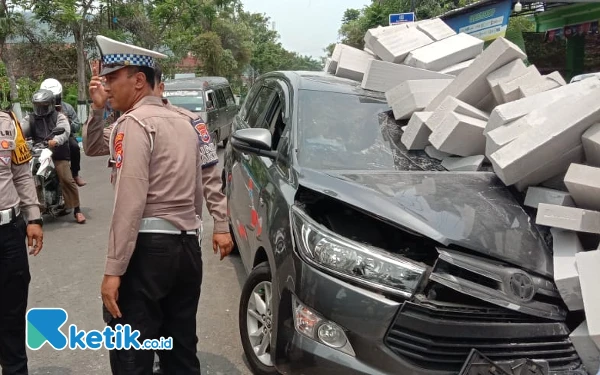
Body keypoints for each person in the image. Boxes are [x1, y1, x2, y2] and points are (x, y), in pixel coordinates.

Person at [83, 35, 232, 374]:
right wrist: (96, 110)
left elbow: (129, 202)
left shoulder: (134, 124)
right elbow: (93, 147)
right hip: (186, 249)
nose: (106, 87)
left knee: (131, 352)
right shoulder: (190, 123)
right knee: (180, 348)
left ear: (139, 81)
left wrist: (113, 270)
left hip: (147, 251)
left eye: (112, 78)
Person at [0, 110, 44, 375]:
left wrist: (34, 218)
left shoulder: (8, 123)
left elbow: (21, 174)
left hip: (9, 231)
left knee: (12, 315)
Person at [23, 90, 86, 224]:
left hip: (57, 151)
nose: (40, 108)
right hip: (37, 151)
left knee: (66, 179)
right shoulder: (31, 118)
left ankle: (77, 210)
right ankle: (34, 210)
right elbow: (22, 130)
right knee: (27, 178)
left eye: (44, 105)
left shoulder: (59, 116)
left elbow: (65, 129)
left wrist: (56, 140)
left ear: (51, 104)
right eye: (38, 105)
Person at [39, 78, 86, 187]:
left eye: (56, 97)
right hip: (44, 136)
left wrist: (67, 121)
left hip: (65, 137)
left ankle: (75, 174)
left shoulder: (67, 108)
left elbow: (77, 126)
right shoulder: (39, 109)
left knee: (74, 146)